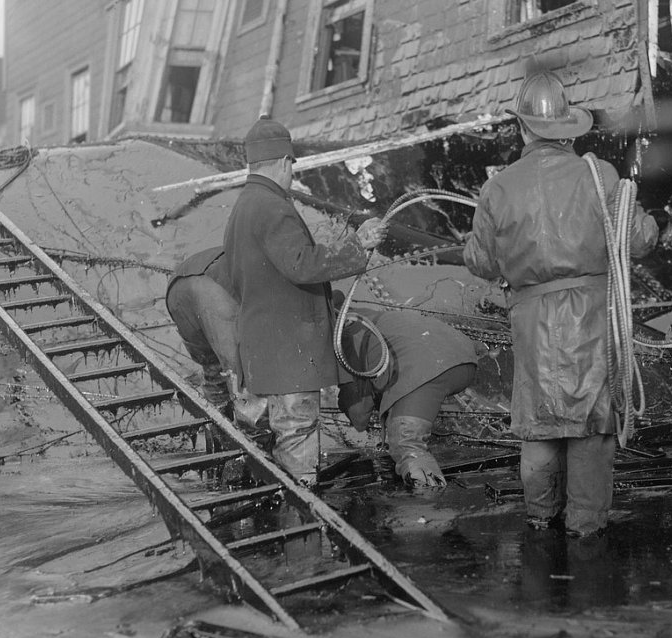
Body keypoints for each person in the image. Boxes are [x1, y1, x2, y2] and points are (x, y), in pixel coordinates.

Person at [462, 70, 658, 538]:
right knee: (592, 428)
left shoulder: (497, 188)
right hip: (592, 317)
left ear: (523, 128)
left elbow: (481, 261)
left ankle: (539, 521)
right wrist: (650, 221)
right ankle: (586, 532)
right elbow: (639, 240)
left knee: (540, 423)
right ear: (567, 127)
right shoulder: (600, 174)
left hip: (531, 320)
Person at [223, 116, 388, 486]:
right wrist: (357, 246)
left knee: (259, 445)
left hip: (259, 352)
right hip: (290, 355)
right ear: (284, 162)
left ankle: (265, 519)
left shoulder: (243, 208)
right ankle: (301, 526)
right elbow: (301, 264)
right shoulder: (272, 206)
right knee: (297, 448)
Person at [335, 297, 481, 487]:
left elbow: (360, 417)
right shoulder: (362, 317)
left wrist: (343, 397)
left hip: (426, 366)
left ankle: (426, 506)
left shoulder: (343, 338)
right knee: (411, 404)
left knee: (406, 444)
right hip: (463, 360)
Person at [164, 247, 267, 440]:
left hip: (181, 286)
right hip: (213, 288)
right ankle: (256, 448)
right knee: (241, 374)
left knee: (215, 370)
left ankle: (219, 443)